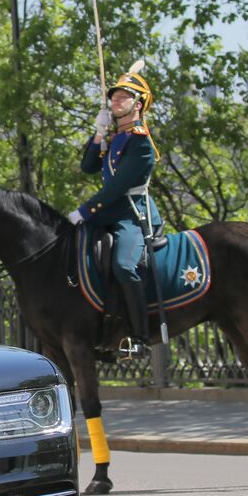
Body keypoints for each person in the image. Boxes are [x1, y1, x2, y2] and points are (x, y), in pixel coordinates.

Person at [67, 65, 162, 358]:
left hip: (132, 214)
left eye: (124, 97)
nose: (116, 101)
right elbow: (87, 168)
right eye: (114, 97)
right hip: (110, 211)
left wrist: (85, 210)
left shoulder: (141, 143)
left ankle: (140, 337)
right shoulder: (114, 138)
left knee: (124, 265)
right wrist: (98, 134)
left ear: (138, 104)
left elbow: (118, 187)